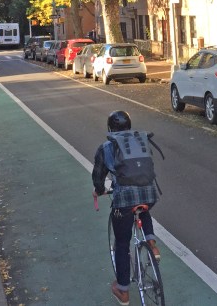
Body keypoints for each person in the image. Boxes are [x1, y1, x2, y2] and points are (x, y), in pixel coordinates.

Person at [92, 110, 160, 306]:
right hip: (150, 193)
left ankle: (122, 291)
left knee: (122, 243)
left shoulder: (106, 147)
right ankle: (151, 243)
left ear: (110, 128)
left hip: (124, 200)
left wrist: (99, 190)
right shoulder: (141, 141)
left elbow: (98, 176)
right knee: (143, 207)